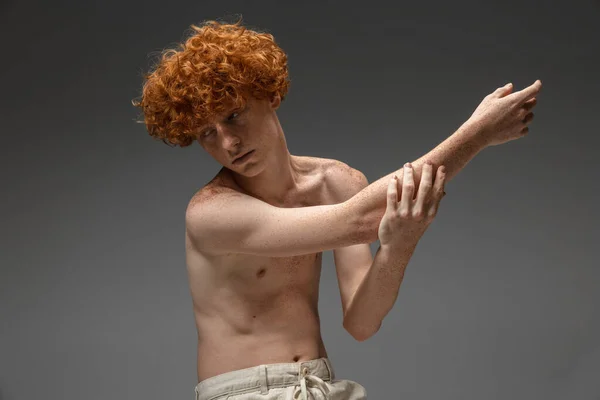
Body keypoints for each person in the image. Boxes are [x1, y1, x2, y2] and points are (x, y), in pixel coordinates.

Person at [132, 19, 541, 400]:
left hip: (321, 385)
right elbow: (360, 220)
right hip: (243, 392)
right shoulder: (211, 213)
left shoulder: (338, 183)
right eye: (207, 133)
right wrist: (477, 134)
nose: (228, 143)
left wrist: (399, 246)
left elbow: (362, 323)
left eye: (233, 115)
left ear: (269, 93)